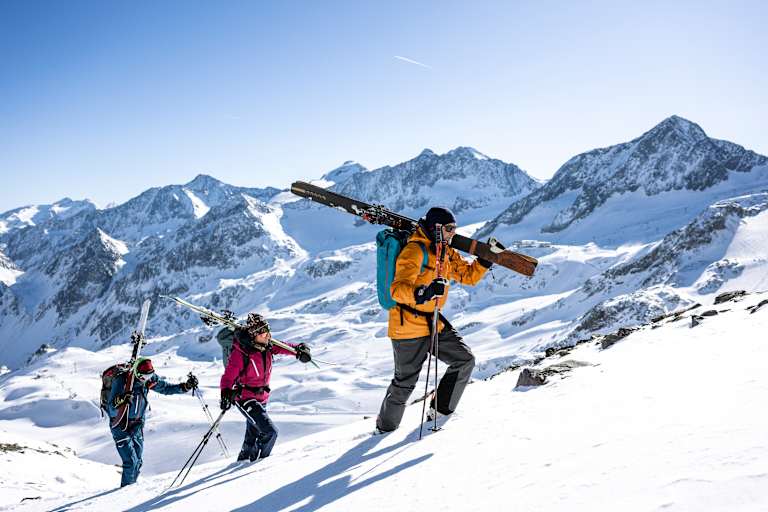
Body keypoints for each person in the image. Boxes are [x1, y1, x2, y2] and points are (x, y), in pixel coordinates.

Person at [375, 206, 493, 433]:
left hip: (433, 322)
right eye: (449, 229)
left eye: (455, 229)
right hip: (407, 326)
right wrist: (424, 292)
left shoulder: (445, 252)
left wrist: (485, 261)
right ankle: (384, 429)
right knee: (404, 384)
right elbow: (397, 290)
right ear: (436, 228)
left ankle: (439, 411)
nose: (453, 234)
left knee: (465, 360)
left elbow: (467, 276)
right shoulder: (415, 251)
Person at [219, 313, 312, 462]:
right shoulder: (241, 352)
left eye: (268, 331)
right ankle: (259, 464)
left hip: (262, 398)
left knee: (253, 433)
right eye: (263, 333)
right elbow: (228, 377)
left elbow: (287, 347)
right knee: (270, 432)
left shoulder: (268, 346)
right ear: (254, 335)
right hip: (245, 398)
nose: (268, 335)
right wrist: (225, 393)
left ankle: (242, 462)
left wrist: (300, 350)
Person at [107, 357, 198, 487]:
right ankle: (125, 493)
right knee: (131, 462)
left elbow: (166, 388)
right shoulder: (121, 380)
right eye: (145, 376)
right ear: (137, 373)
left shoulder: (149, 379)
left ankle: (131, 488)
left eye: (150, 375)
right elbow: (111, 409)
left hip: (137, 425)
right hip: (120, 425)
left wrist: (185, 387)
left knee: (138, 462)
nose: (148, 378)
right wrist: (122, 400)